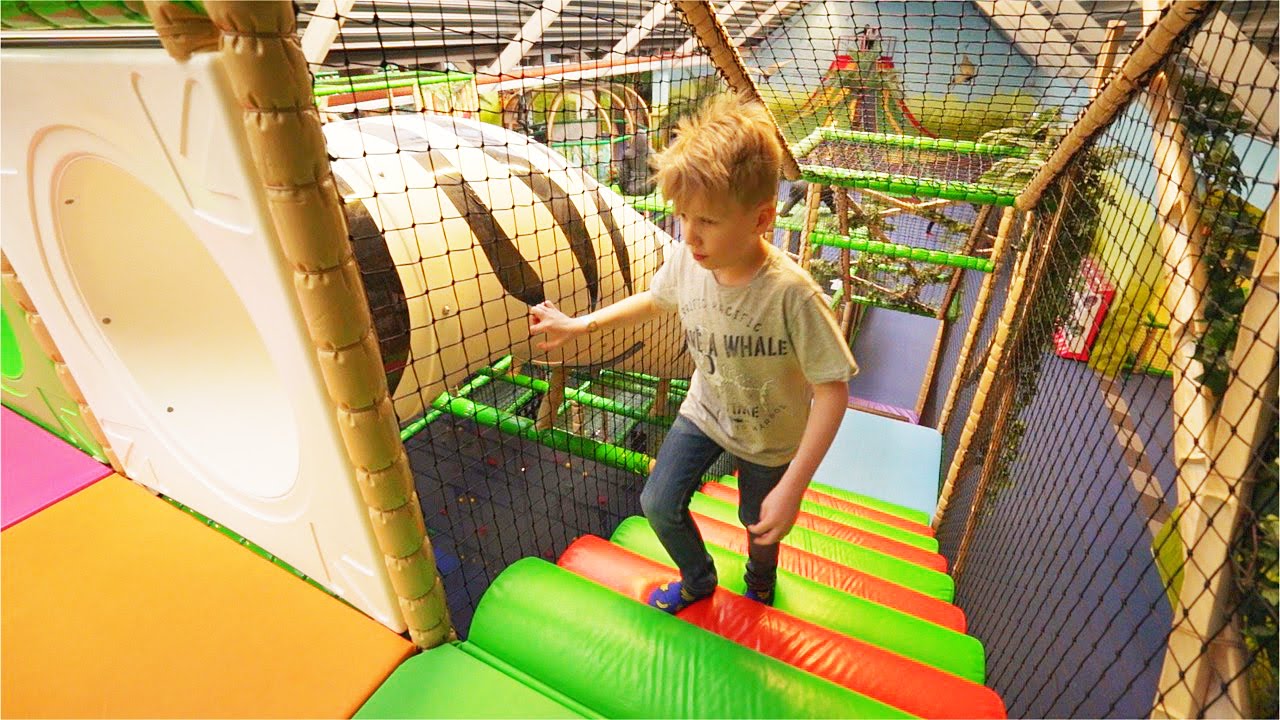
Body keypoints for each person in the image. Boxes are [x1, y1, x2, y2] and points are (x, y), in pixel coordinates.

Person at [529, 93, 857, 612]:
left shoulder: (791, 294)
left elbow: (833, 392)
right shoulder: (688, 261)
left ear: (761, 219)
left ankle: (760, 578)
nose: (690, 234)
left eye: (708, 220)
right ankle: (699, 579)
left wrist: (794, 486)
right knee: (657, 503)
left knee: (761, 523)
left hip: (770, 439)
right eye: (683, 216)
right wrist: (578, 325)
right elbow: (655, 300)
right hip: (704, 412)